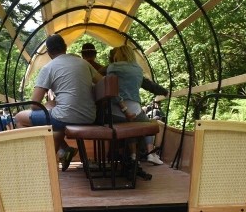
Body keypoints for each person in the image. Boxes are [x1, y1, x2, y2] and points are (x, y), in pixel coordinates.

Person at [14, 34, 102, 170]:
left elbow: (34, 104)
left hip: (66, 117)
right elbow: (102, 82)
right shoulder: (84, 63)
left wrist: (50, 105)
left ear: (48, 52)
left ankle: (34, 160)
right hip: (90, 116)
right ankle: (64, 150)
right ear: (65, 47)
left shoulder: (48, 68)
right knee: (55, 120)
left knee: (19, 117)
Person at [106, 44, 163, 165]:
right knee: (145, 123)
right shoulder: (138, 69)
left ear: (118, 55)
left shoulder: (112, 68)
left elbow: (112, 92)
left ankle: (132, 155)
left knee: (126, 122)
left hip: (117, 112)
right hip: (136, 112)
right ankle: (150, 153)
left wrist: (125, 110)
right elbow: (148, 85)